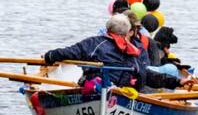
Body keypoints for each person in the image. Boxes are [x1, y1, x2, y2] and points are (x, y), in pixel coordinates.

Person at [42, 14, 187, 92]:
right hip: (103, 90)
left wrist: (50, 56)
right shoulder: (132, 50)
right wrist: (177, 82)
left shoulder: (94, 42)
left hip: (114, 93)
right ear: (127, 32)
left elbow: (70, 52)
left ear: (108, 28)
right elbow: (147, 75)